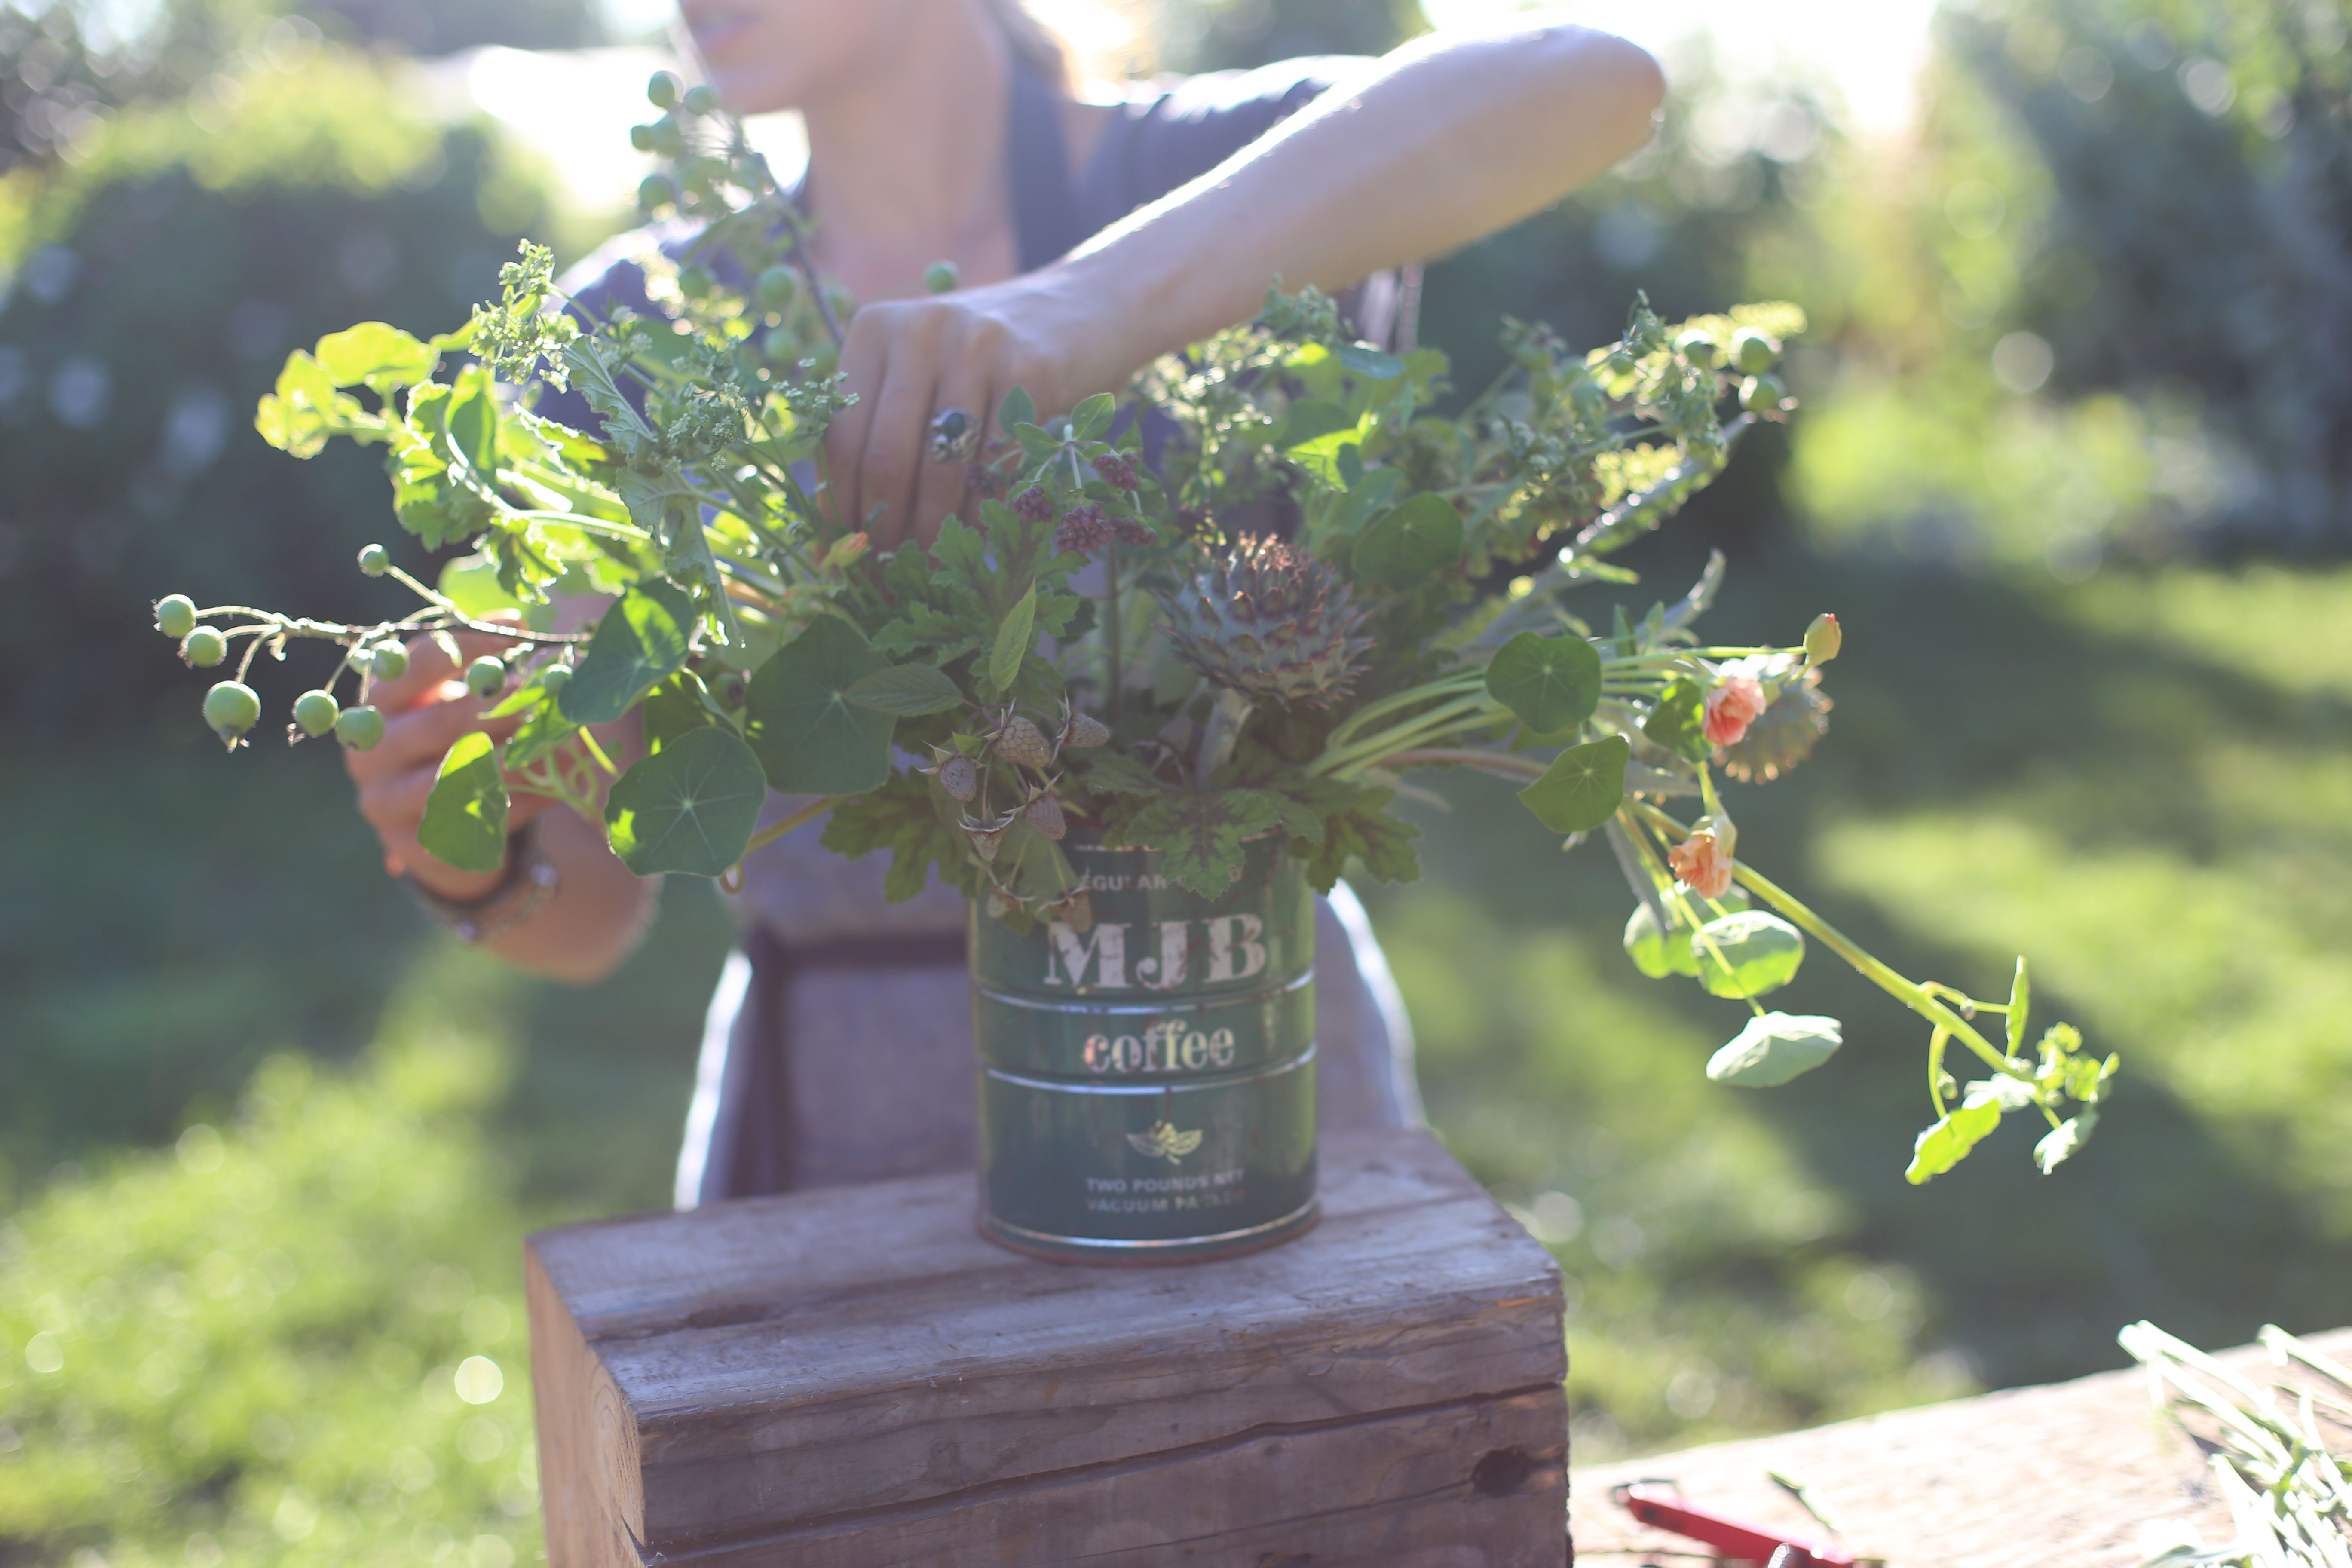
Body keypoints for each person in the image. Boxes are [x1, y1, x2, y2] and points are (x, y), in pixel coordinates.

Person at [347, 0, 1666, 1206]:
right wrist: (475, 856)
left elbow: (1600, 81)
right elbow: (590, 915)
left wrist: (1085, 309)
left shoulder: (1197, 184)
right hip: (848, 1130)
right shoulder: (636, 330)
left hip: (1237, 1061)